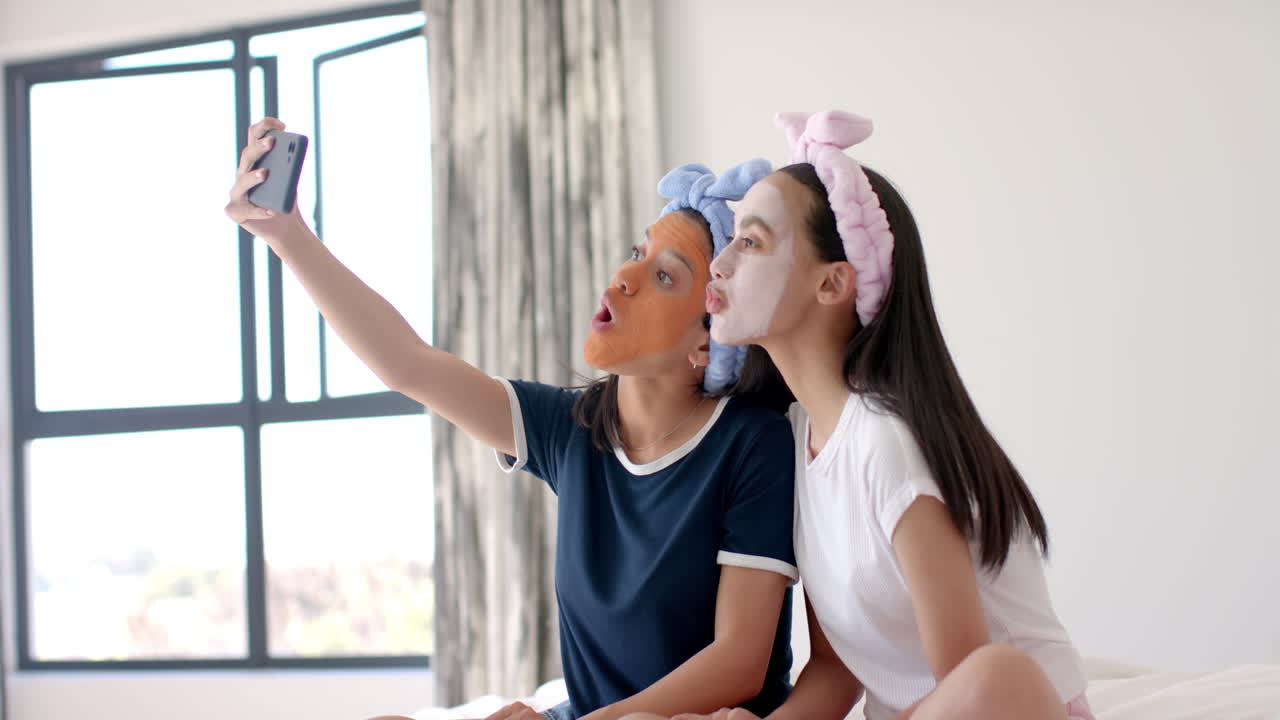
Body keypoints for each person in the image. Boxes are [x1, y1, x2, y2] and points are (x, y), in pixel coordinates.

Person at [225, 119, 799, 720]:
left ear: (707, 344)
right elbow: (407, 363)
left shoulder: (751, 442)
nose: (623, 277)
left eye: (663, 276)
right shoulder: (573, 429)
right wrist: (287, 235)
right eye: (637, 252)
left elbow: (740, 664)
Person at [656, 110, 1092, 720]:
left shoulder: (888, 445)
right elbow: (837, 669)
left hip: (1005, 707)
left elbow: (967, 681)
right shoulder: (800, 437)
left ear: (832, 285)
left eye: (750, 242)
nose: (720, 261)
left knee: (997, 674)